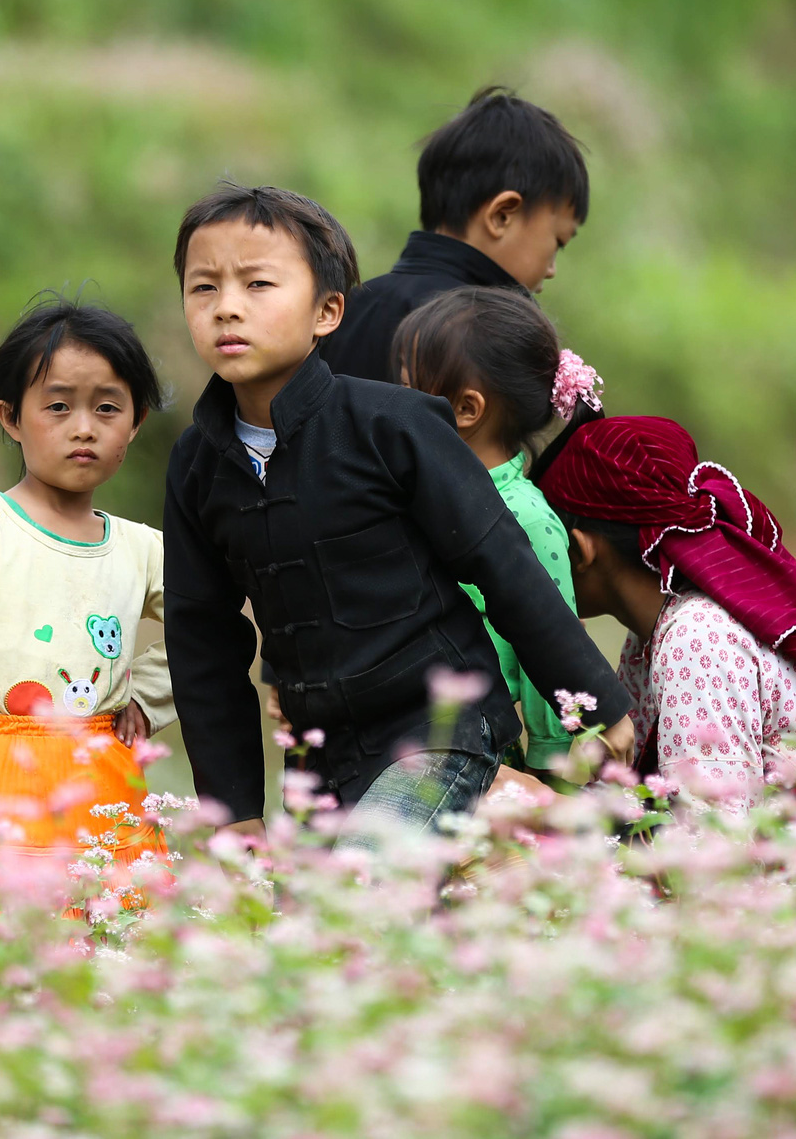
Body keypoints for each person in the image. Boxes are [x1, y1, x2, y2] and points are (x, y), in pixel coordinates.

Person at [162, 183, 632, 843]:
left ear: (328, 312)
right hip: (322, 756)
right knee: (320, 936)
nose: (226, 307)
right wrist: (235, 813)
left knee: (363, 893)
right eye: (203, 287)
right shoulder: (196, 464)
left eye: (258, 284)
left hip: (442, 729)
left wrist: (598, 705)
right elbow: (202, 643)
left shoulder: (393, 424)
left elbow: (501, 560)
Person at [0, 294, 174, 932]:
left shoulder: (142, 550)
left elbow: (211, 625)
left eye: (108, 407)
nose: (84, 427)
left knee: (114, 950)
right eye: (57, 406)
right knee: (4, 954)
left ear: (136, 421)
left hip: (107, 780)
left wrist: (149, 698)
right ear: (11, 417)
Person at [533, 401, 796, 808]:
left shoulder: (696, 638)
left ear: (580, 549)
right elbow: (626, 796)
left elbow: (710, 843)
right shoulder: (655, 633)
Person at [388, 286, 585, 774]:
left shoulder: (527, 517)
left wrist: (549, 770)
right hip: (389, 737)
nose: (390, 401)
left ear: (466, 410)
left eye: (407, 388)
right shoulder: (409, 493)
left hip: (474, 758)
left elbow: (550, 647)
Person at [320, 86, 588, 384]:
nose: (551, 271)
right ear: (502, 215)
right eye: (558, 243)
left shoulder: (344, 308)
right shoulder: (481, 336)